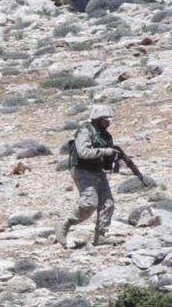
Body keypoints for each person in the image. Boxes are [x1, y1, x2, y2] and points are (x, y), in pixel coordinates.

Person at [56, 105, 119, 248]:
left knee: (108, 204)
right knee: (89, 203)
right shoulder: (84, 131)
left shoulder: (105, 135)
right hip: (82, 170)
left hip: (97, 170)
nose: (108, 123)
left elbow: (107, 154)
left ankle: (101, 236)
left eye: (108, 120)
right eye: (105, 120)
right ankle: (65, 224)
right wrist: (105, 152)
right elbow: (83, 152)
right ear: (97, 119)